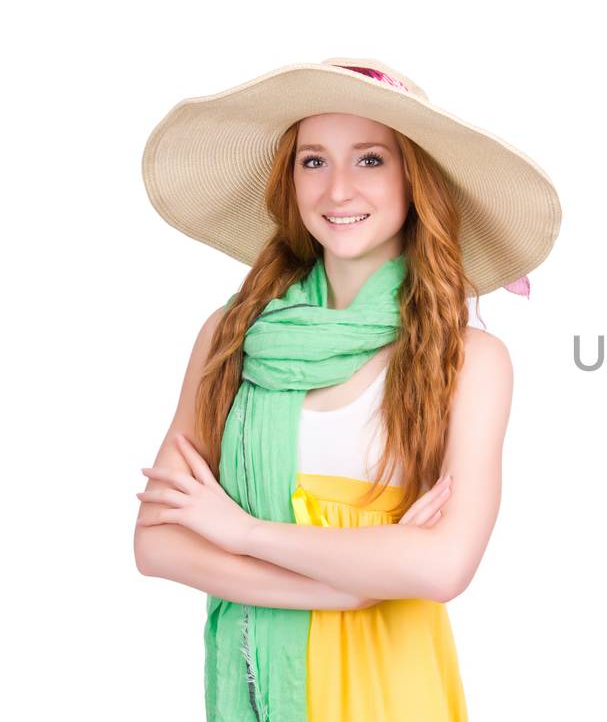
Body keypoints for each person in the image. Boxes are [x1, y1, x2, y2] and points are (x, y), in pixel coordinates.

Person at [132, 58, 561, 721]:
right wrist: (347, 587)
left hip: (392, 686)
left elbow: (443, 566)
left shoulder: (470, 360)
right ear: (288, 180)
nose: (337, 190)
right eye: (313, 161)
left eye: (369, 161)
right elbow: (157, 543)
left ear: (414, 180)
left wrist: (241, 532)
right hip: (256, 680)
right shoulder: (232, 336)